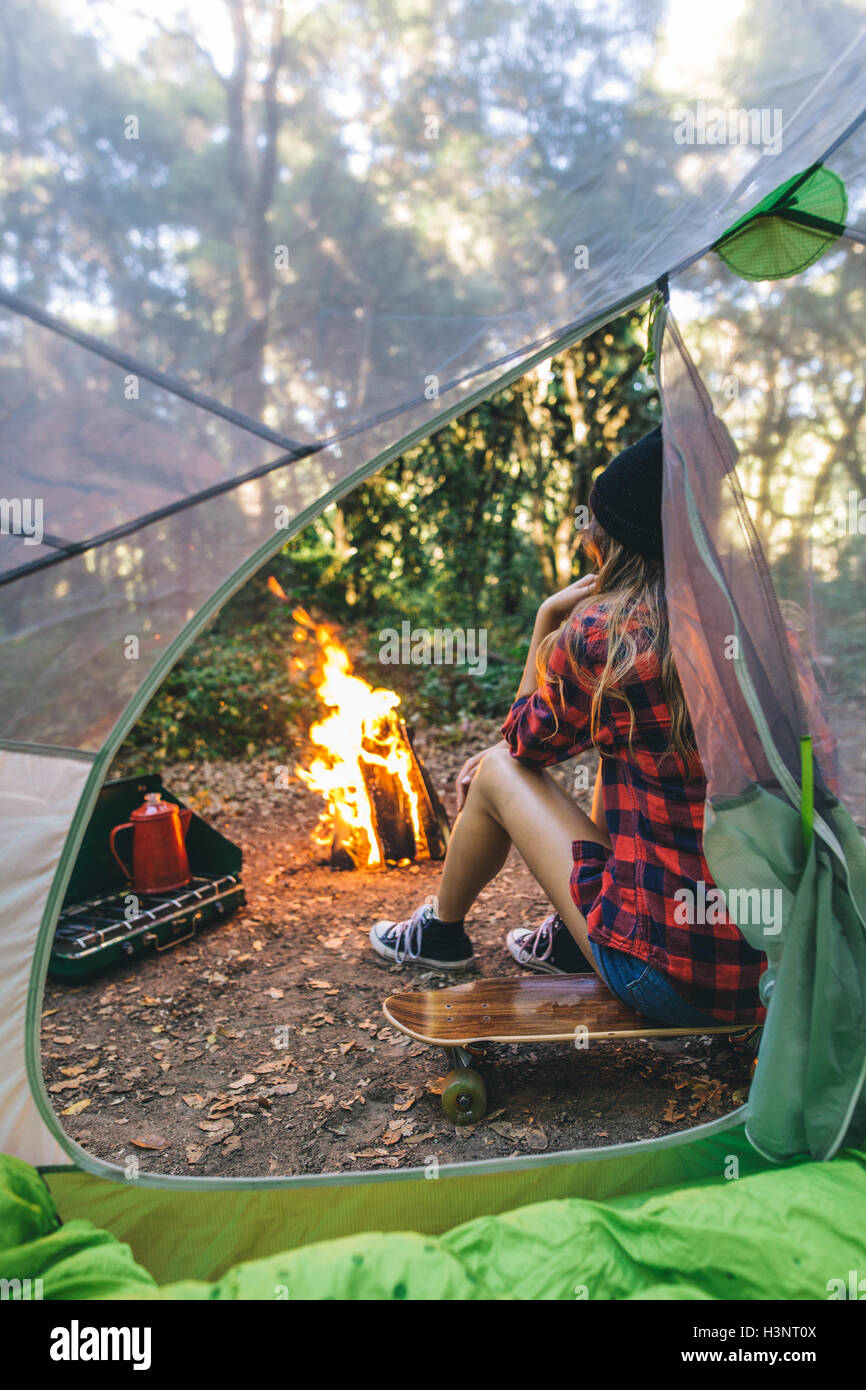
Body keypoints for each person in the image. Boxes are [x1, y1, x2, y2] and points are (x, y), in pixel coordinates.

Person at [369, 426, 766, 1027]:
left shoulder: (609, 639)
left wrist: (546, 617)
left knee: (496, 771)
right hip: (776, 970)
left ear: (619, 549)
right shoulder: (771, 630)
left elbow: (521, 744)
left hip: (664, 977)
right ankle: (565, 937)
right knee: (622, 751)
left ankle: (440, 936)